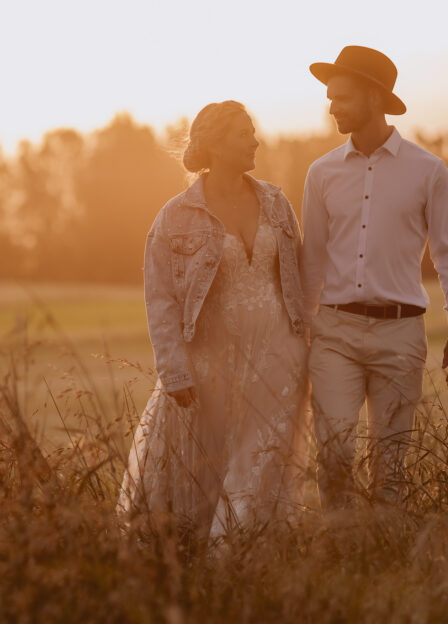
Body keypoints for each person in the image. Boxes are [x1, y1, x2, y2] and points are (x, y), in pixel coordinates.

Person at [118, 101, 308, 538]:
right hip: (209, 364)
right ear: (216, 144)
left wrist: (307, 347)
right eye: (245, 133)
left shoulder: (277, 204)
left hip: (278, 359)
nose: (255, 140)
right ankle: (194, 561)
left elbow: (299, 277)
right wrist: (173, 367)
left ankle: (234, 559)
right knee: (202, 471)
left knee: (257, 468)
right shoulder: (175, 217)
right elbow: (160, 298)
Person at [301, 46, 448, 509]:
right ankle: (337, 554)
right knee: (334, 454)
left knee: (390, 466)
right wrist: (300, 331)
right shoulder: (320, 174)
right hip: (334, 333)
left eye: (342, 98)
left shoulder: (429, 171)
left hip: (400, 335)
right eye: (330, 98)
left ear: (375, 97)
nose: (331, 107)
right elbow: (312, 262)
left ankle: (384, 559)